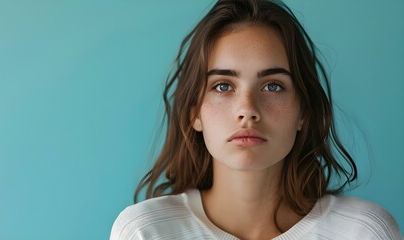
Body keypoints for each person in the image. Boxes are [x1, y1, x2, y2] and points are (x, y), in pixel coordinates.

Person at [111, 0, 403, 239]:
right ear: (193, 113)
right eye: (223, 86)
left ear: (304, 112)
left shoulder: (363, 232)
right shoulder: (146, 232)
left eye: (272, 86)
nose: (247, 109)